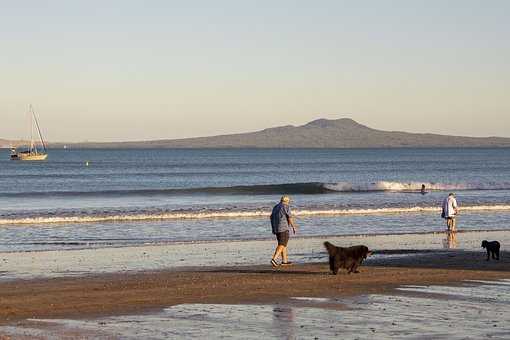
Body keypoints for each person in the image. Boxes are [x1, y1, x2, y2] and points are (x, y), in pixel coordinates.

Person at [270, 195, 297, 267]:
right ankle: (274, 259)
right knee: (282, 244)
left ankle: (284, 261)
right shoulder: (286, 206)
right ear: (287, 201)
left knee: (283, 244)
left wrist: (273, 228)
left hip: (276, 228)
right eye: (289, 201)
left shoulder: (275, 207)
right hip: (283, 228)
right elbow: (289, 217)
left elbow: (271, 217)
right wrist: (293, 226)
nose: (289, 203)